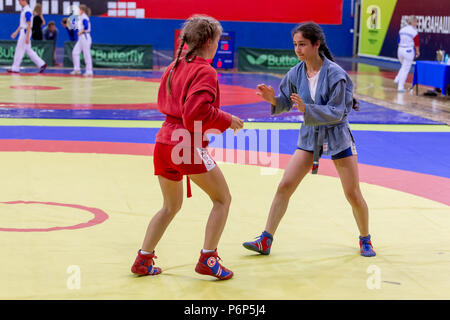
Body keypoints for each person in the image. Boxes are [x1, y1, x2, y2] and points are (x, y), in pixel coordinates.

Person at [242, 22, 376, 258]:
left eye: (302, 44)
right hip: (310, 135)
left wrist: (308, 109)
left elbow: (340, 111)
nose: (298, 49)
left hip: (337, 136)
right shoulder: (296, 72)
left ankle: (365, 239)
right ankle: (266, 239)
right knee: (285, 185)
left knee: (352, 193)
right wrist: (273, 99)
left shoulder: (336, 74)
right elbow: (285, 101)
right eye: (295, 45)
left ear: (317, 44)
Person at [130, 15, 244, 280]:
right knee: (222, 199)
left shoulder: (173, 66)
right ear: (208, 41)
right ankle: (208, 257)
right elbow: (194, 113)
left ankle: (143, 259)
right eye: (217, 40)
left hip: (163, 143)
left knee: (170, 206)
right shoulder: (205, 70)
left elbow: (174, 106)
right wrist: (226, 119)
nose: (218, 45)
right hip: (185, 144)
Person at [8, 0, 46, 74]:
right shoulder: (25, 10)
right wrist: (16, 32)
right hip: (24, 31)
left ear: (24, 1)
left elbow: (29, 24)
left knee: (19, 49)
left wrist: (27, 37)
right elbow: (23, 24)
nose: (19, 2)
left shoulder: (27, 11)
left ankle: (15, 68)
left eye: (19, 1)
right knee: (28, 50)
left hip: (25, 32)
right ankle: (42, 64)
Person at [394, 16, 420, 93]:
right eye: (416, 22)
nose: (417, 23)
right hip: (408, 51)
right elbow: (417, 43)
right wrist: (417, 51)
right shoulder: (414, 31)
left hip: (400, 50)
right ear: (413, 22)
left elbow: (398, 41)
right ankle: (400, 87)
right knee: (405, 69)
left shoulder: (402, 30)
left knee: (403, 66)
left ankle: (397, 79)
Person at [70, 5, 93, 76]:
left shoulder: (84, 17)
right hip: (81, 38)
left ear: (82, 10)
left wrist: (81, 31)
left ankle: (89, 71)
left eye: (78, 10)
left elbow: (86, 27)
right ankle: (77, 69)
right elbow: (74, 25)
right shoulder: (80, 17)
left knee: (86, 54)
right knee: (75, 52)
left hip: (85, 36)